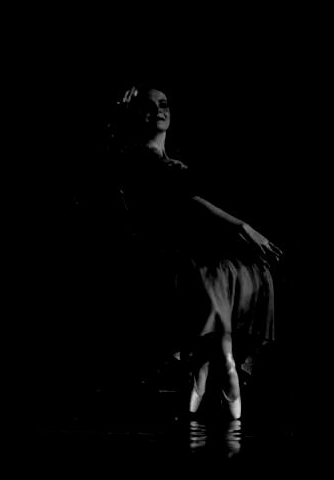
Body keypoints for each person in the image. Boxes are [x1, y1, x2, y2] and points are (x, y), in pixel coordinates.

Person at [93, 85, 280, 420]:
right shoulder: (134, 158)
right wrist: (241, 227)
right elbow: (186, 202)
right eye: (149, 107)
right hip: (156, 253)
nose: (159, 111)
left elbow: (195, 205)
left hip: (190, 246)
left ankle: (209, 365)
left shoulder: (176, 159)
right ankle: (221, 364)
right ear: (136, 116)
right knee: (210, 275)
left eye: (164, 105)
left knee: (249, 267)